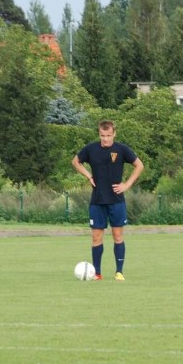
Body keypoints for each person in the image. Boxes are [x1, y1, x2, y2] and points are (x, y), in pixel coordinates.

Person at [71, 120, 144, 280]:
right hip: (97, 201)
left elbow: (139, 165)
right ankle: (97, 273)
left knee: (117, 235)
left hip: (116, 200)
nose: (105, 139)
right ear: (99, 134)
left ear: (114, 134)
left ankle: (119, 272)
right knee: (96, 237)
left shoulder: (121, 149)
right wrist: (88, 175)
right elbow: (75, 161)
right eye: (102, 136)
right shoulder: (91, 149)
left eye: (108, 135)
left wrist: (127, 184)